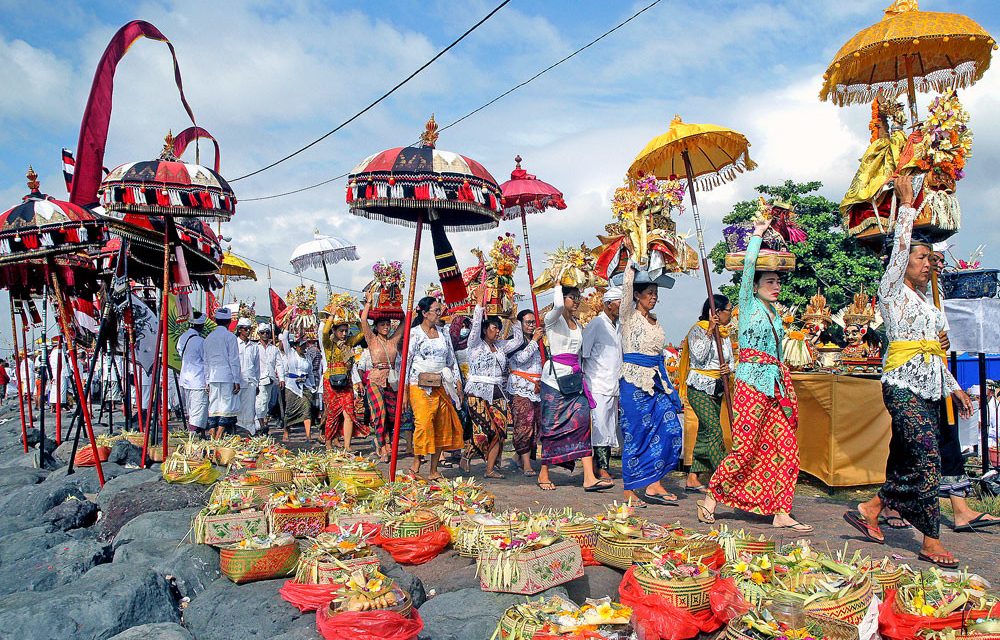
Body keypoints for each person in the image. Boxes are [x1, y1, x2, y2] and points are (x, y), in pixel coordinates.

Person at [844, 176, 975, 567]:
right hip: (901, 385)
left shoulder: (925, 302)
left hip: (929, 388)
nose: (926, 264)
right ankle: (931, 539)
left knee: (909, 460)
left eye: (929, 259)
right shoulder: (892, 289)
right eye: (920, 259)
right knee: (927, 459)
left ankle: (871, 508)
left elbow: (934, 351)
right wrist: (906, 208)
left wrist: (954, 387)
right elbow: (901, 248)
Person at [699, 217, 812, 532]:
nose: (776, 287)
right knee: (746, 447)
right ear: (755, 287)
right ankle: (713, 495)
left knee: (786, 447)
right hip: (751, 382)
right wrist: (758, 235)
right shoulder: (747, 306)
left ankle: (781, 510)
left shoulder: (776, 313)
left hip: (776, 385)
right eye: (770, 282)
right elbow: (749, 266)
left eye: (778, 282)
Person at [537, 280, 610, 493]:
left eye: (579, 297)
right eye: (572, 297)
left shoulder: (578, 325)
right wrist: (558, 282)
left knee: (583, 420)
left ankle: (588, 476)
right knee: (551, 427)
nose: (577, 301)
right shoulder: (552, 319)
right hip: (554, 381)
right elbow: (558, 307)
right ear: (562, 297)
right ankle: (544, 472)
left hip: (575, 380)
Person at [618, 266, 683, 506]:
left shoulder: (656, 321)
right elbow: (625, 289)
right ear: (637, 295)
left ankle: (654, 483)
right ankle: (630, 489)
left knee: (671, 428)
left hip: (656, 381)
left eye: (656, 293)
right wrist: (632, 263)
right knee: (636, 434)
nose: (654, 297)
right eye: (649, 293)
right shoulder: (628, 316)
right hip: (633, 382)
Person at [403, 296, 464, 480]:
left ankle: (433, 470)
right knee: (423, 422)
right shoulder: (414, 333)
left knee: (441, 425)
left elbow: (451, 360)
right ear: (424, 313)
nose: (440, 314)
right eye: (437, 311)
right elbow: (406, 362)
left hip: (441, 385)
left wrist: (458, 382)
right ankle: (416, 463)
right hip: (418, 385)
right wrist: (405, 391)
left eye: (440, 310)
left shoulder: (443, 333)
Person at [679, 294, 734, 492]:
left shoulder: (725, 334)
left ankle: (693, 477)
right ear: (717, 312)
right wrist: (710, 331)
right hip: (700, 387)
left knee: (704, 432)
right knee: (714, 431)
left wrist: (729, 368)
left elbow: (730, 359)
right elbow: (699, 356)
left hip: (717, 387)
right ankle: (725, 477)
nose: (731, 314)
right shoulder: (698, 330)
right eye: (728, 310)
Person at [460, 284, 513, 479]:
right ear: (484, 329)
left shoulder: (500, 347)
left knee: (499, 431)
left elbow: (516, 342)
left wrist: (512, 316)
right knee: (484, 430)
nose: (497, 331)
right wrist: (479, 305)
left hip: (498, 392)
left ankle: (489, 469)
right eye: (493, 327)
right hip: (477, 392)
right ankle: (466, 454)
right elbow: (474, 327)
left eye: (499, 328)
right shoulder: (474, 345)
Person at [582, 286, 623, 482]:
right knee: (598, 426)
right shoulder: (597, 324)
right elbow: (584, 353)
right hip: (596, 384)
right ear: (608, 305)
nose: (621, 308)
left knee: (608, 426)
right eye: (619, 304)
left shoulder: (618, 326)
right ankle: (599, 468)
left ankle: (603, 466)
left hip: (613, 384)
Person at [361, 289, 404, 462]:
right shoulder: (371, 339)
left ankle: (388, 443)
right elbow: (363, 320)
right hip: (375, 380)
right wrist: (369, 302)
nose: (386, 327)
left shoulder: (394, 340)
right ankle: (382, 446)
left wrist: (397, 301)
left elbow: (404, 321)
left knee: (393, 416)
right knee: (380, 412)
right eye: (382, 324)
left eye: (388, 324)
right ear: (376, 327)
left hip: (391, 380)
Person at [506, 308, 543, 476]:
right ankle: (526, 464)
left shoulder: (540, 342)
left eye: (533, 322)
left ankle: (519, 458)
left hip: (537, 388)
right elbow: (521, 359)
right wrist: (534, 340)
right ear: (520, 324)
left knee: (536, 425)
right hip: (520, 388)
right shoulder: (513, 341)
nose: (531, 325)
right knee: (524, 425)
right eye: (528, 322)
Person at [321, 315, 365, 451]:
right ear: (334, 331)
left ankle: (347, 445)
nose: (344, 334)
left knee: (349, 413)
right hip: (331, 382)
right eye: (341, 331)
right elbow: (324, 332)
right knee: (332, 414)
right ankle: (328, 442)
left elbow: (363, 333)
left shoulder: (349, 343)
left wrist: (356, 318)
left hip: (346, 383)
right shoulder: (329, 344)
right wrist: (332, 316)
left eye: (346, 330)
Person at [203, 308, 241, 439]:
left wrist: (207, 381)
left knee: (213, 406)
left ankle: (213, 434)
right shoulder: (230, 337)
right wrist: (237, 379)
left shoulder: (208, 338)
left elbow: (205, 361)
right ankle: (218, 436)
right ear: (229, 322)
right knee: (225, 406)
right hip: (227, 376)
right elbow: (234, 359)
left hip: (213, 376)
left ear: (215, 321)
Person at [177, 311, 208, 435]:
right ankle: (193, 437)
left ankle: (195, 433)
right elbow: (206, 361)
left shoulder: (182, 337)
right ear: (200, 325)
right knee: (198, 411)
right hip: (198, 380)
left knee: (191, 409)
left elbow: (180, 353)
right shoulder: (200, 341)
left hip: (186, 378)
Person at [281, 332, 315, 442]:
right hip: (292, 386)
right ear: (296, 346)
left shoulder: (307, 357)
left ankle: (308, 435)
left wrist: (313, 385)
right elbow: (285, 339)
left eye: (305, 345)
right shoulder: (290, 353)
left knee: (307, 408)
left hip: (305, 385)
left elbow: (310, 373)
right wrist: (286, 327)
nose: (303, 348)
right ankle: (286, 432)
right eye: (301, 345)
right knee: (290, 411)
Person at [235, 319, 261, 435]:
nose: (248, 331)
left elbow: (257, 367)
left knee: (250, 409)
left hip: (251, 381)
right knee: (237, 408)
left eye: (250, 329)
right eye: (245, 329)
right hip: (238, 382)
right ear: (240, 329)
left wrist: (257, 383)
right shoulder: (234, 344)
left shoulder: (254, 346)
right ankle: (237, 432)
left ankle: (250, 432)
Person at [256, 324, 283, 434]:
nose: (265, 335)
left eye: (267, 332)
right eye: (262, 332)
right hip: (260, 379)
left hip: (271, 379)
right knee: (260, 403)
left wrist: (281, 379)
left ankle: (264, 423)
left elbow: (279, 364)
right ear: (259, 334)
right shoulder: (255, 348)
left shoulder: (274, 349)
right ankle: (261, 425)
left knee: (270, 403)